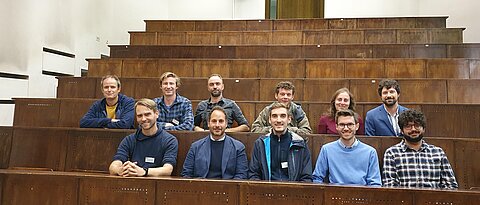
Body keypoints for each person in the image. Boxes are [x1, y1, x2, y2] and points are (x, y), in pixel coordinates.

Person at [383, 109, 458, 189]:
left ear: (423, 129)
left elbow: (450, 185)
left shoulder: (438, 153)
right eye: (408, 126)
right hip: (403, 200)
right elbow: (389, 186)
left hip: (433, 200)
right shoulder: (392, 153)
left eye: (417, 125)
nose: (413, 129)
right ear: (402, 130)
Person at [109, 98, 178, 177]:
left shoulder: (169, 140)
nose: (143, 119)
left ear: (156, 114)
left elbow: (168, 169)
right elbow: (113, 166)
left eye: (147, 114)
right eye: (139, 116)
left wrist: (144, 171)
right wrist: (120, 170)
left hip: (157, 185)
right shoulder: (129, 140)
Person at [312, 109, 381, 186]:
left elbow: (375, 183)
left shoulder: (370, 152)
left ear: (357, 126)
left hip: (362, 196)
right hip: (334, 195)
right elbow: (317, 178)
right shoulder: (327, 150)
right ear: (336, 127)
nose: (346, 128)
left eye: (350, 124)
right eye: (342, 125)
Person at [248, 102, 312, 182]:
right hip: (266, 191)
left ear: (289, 119)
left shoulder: (300, 144)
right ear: (269, 120)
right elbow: (254, 174)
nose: (278, 120)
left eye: (283, 116)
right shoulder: (260, 144)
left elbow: (306, 177)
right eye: (274, 116)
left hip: (294, 191)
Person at [182, 106, 248, 179]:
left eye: (221, 121)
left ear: (226, 124)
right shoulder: (195, 147)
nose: (217, 125)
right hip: (201, 188)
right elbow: (186, 174)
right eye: (214, 121)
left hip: (228, 188)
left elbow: (241, 175)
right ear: (208, 123)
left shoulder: (238, 147)